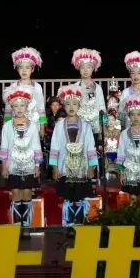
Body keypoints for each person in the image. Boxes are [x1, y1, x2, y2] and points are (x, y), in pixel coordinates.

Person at [49, 86, 98, 226]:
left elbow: (91, 147)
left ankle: (81, 225)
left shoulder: (86, 126)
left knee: (80, 197)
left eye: (75, 104)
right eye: (68, 104)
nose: (71, 107)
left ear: (79, 106)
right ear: (63, 106)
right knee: (68, 198)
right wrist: (54, 167)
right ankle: (68, 225)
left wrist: (91, 166)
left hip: (82, 169)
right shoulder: (59, 126)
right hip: (65, 168)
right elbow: (54, 147)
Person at [0, 84, 42, 226]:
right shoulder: (7, 126)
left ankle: (26, 227)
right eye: (16, 106)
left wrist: (37, 166)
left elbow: (36, 147)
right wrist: (4, 167)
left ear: (27, 107)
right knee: (16, 194)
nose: (19, 109)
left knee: (27, 194)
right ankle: (17, 227)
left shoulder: (33, 126)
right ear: (12, 107)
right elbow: (4, 147)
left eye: (22, 106)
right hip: (13, 166)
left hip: (29, 166)